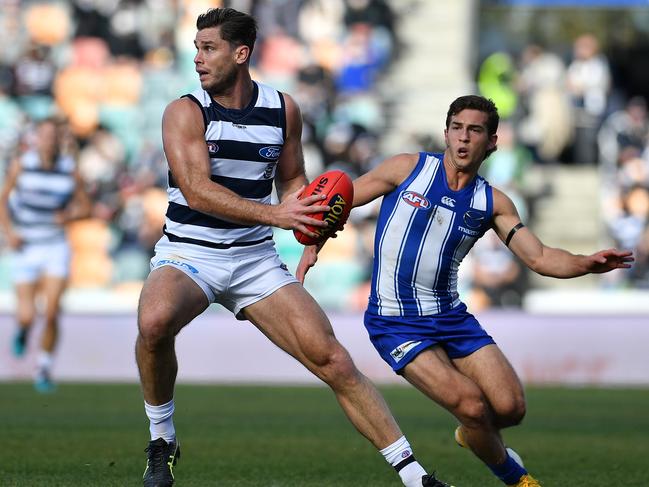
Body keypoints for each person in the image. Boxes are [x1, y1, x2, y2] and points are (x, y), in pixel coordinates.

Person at [135, 8, 452, 487]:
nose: (197, 58)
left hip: (254, 259)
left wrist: (311, 225)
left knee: (334, 360)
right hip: (189, 252)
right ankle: (162, 440)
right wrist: (277, 215)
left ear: (241, 54)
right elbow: (197, 190)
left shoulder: (283, 109)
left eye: (208, 48)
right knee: (154, 322)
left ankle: (414, 476)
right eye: (197, 48)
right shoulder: (184, 110)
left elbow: (293, 183)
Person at [298, 95, 634, 487]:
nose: (463, 138)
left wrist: (586, 263)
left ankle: (471, 436)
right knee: (473, 406)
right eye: (457, 128)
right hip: (396, 322)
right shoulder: (408, 168)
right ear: (445, 133)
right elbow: (342, 201)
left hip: (450, 316)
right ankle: (519, 479)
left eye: (474, 131)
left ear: (491, 142)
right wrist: (312, 243)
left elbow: (540, 257)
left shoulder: (492, 202)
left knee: (510, 409)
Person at [0, 117, 91, 392]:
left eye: (54, 135)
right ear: (36, 138)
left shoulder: (68, 169)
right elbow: (2, 201)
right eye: (45, 135)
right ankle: (24, 330)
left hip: (55, 245)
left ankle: (43, 367)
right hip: (26, 245)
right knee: (27, 314)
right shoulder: (22, 165)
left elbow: (85, 207)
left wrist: (69, 215)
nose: (49, 140)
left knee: (51, 312)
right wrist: (9, 234)